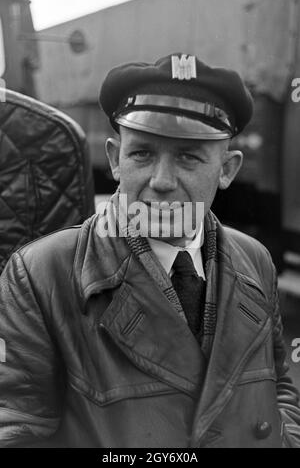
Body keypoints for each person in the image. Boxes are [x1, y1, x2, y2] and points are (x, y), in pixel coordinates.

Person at [0, 53, 300, 448]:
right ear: (115, 159)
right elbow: (16, 430)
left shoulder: (255, 258)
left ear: (227, 169)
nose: (160, 181)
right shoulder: (40, 274)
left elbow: (280, 386)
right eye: (142, 153)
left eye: (188, 156)